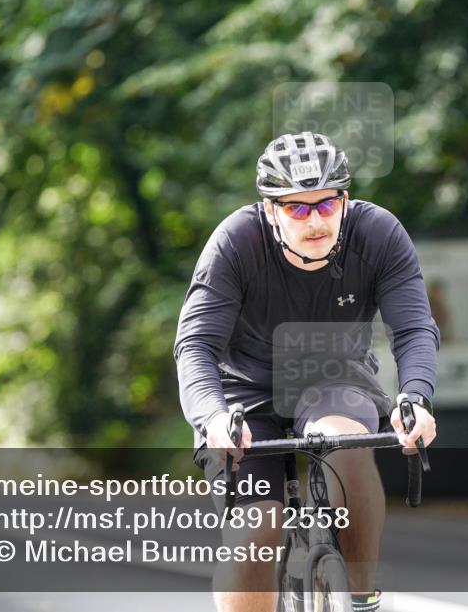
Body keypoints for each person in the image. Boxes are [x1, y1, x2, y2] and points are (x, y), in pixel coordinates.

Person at [175, 132, 439, 612]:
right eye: (297, 208)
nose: (315, 220)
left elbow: (415, 328)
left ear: (345, 198)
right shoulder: (235, 243)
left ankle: (360, 598)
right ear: (271, 210)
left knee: (348, 445)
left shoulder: (377, 234)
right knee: (257, 526)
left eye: (326, 204)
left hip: (336, 380)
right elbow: (195, 346)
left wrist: (415, 397)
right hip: (244, 395)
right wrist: (212, 417)